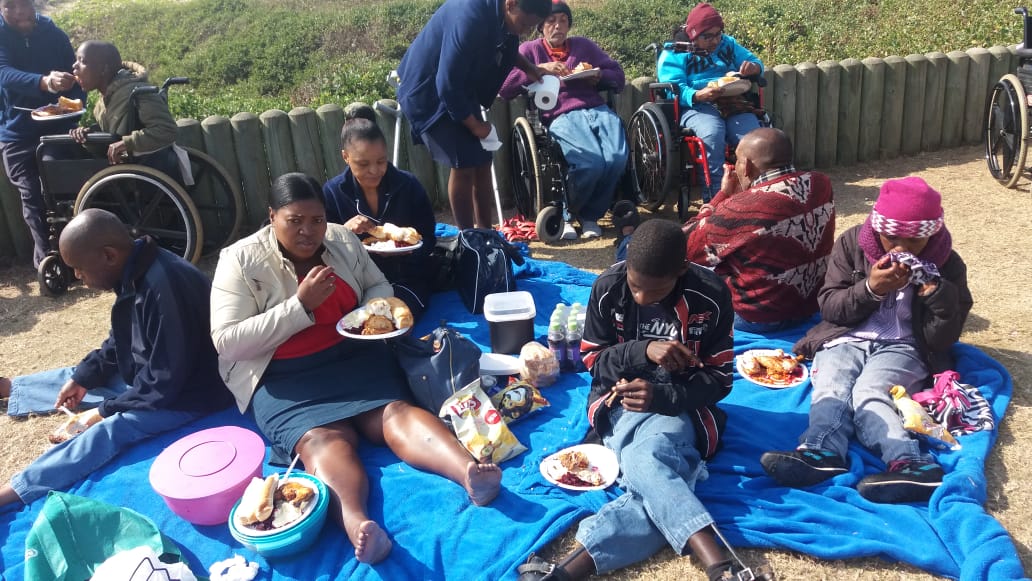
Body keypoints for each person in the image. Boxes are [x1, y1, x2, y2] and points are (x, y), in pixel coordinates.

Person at [209, 173, 502, 564]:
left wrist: (374, 311)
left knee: (396, 413)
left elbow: (378, 285)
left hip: (354, 356)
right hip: (284, 379)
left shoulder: (341, 239)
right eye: (294, 221)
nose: (308, 231)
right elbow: (228, 340)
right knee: (322, 441)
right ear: (272, 216)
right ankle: (359, 525)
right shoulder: (241, 260)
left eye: (316, 219)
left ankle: (468, 472)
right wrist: (300, 306)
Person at [518, 220, 766, 581]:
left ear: (681, 270)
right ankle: (722, 566)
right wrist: (643, 350)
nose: (641, 298)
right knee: (657, 469)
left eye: (655, 290)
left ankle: (564, 574)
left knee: (643, 459)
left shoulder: (710, 295)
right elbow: (593, 360)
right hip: (619, 402)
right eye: (635, 286)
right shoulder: (608, 287)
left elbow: (719, 379)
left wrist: (664, 396)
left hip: (680, 408)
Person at [0, 208, 232, 508]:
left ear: (108, 255)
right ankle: (12, 388)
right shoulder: (134, 268)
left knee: (111, 429)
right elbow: (121, 339)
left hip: (191, 394)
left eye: (79, 269)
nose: (77, 277)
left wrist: (104, 411)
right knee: (82, 376)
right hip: (155, 376)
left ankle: (17, 489)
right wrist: (84, 376)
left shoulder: (165, 287)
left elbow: (165, 382)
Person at [761, 177, 973, 504]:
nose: (902, 248)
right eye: (892, 238)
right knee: (832, 386)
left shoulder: (947, 263)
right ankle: (821, 452)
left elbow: (941, 339)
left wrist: (938, 298)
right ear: (877, 229)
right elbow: (831, 307)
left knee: (870, 392)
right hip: (844, 337)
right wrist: (871, 289)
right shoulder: (852, 245)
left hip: (904, 346)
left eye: (915, 240)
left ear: (931, 234)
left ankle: (911, 464)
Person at [397, 0, 551, 230]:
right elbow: (446, 84)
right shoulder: (469, 17)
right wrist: (475, 126)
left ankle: (486, 233)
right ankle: (468, 237)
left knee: (483, 159)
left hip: (460, 87)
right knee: (464, 162)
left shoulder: (500, 12)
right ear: (511, 3)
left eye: (531, 27)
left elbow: (506, 44)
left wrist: (531, 68)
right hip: (428, 90)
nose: (524, 32)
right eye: (524, 25)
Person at [683, 127, 835, 333]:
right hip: (811, 306)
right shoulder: (822, 183)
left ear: (746, 166)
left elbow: (686, 247)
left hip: (758, 319)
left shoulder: (740, 207)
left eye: (736, 160)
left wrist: (722, 196)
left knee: (681, 269)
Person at [498, 1, 628, 240]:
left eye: (563, 21)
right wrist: (538, 68)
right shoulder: (529, 50)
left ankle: (590, 215)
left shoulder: (584, 46)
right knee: (591, 163)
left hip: (597, 109)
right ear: (541, 25)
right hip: (560, 113)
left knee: (617, 158)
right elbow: (505, 88)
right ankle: (568, 213)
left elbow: (618, 76)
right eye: (551, 21)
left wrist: (598, 76)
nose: (557, 26)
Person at [323, 108, 437, 320]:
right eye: (363, 164)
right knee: (356, 320)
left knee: (393, 318)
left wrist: (407, 251)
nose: (374, 170)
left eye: (381, 161)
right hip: (358, 281)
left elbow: (429, 238)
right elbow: (322, 247)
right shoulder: (332, 192)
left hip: (406, 277)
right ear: (345, 157)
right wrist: (344, 231)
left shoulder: (408, 185)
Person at [0, 0, 85, 268]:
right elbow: (4, 74)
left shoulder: (54, 34)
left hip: (56, 128)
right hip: (15, 133)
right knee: (32, 196)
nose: (18, 12)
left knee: (62, 189)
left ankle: (80, 254)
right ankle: (47, 261)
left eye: (23, 4)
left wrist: (76, 105)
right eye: (9, 6)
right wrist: (45, 82)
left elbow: (77, 75)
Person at [657, 2, 763, 203]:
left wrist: (753, 68)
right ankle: (715, 196)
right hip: (695, 105)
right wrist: (697, 95)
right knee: (713, 134)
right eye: (707, 36)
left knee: (753, 138)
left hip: (732, 99)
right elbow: (672, 87)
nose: (715, 41)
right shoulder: (675, 52)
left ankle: (756, 192)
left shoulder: (728, 44)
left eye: (718, 34)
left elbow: (755, 62)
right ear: (694, 35)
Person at [67, 40, 180, 175]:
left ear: (104, 69)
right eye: (76, 60)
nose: (74, 66)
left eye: (83, 61)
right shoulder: (101, 105)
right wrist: (87, 135)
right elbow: (110, 141)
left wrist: (127, 143)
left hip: (150, 174)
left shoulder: (138, 92)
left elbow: (167, 130)